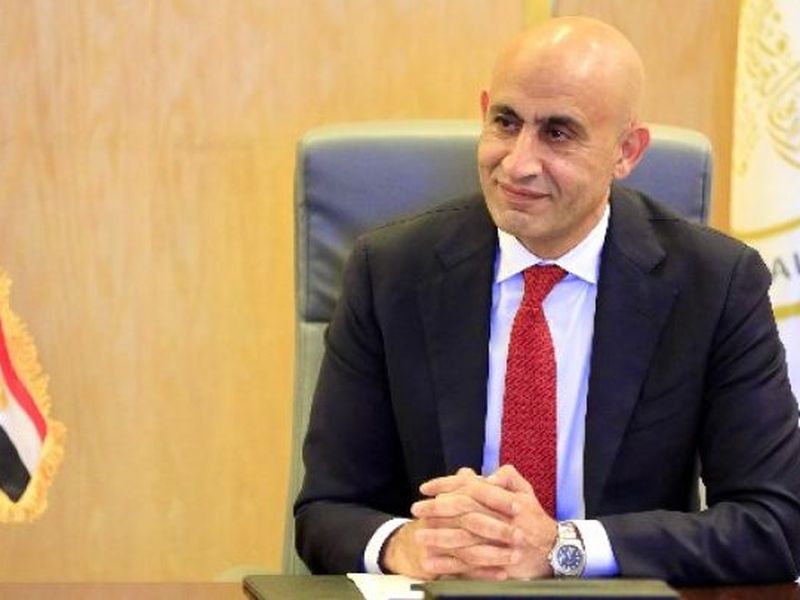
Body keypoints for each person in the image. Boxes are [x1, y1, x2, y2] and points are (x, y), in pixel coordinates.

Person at [294, 16, 800, 585]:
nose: (518, 163)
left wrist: (563, 548)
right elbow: (325, 510)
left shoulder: (715, 283)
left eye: (558, 133)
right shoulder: (389, 271)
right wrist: (404, 545)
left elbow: (775, 523)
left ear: (626, 151)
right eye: (506, 122)